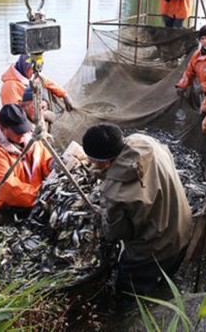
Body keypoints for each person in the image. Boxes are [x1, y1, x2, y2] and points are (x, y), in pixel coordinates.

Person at [82, 123, 192, 297]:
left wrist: (102, 217)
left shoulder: (114, 193)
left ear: (104, 162)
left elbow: (117, 232)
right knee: (167, 283)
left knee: (128, 294)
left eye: (92, 160)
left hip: (153, 252)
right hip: (183, 230)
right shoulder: (146, 142)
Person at [0, 104, 53, 212]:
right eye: (18, 131)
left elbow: (44, 161)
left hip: (32, 198)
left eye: (24, 129)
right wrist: (41, 194)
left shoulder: (31, 140)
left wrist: (52, 164)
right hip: (4, 208)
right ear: (3, 129)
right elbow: (9, 190)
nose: (23, 134)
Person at [0, 54, 74, 111]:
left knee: (44, 91)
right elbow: (13, 114)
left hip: (35, 113)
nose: (35, 72)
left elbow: (48, 83)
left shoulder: (33, 76)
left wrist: (64, 95)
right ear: (25, 67)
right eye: (32, 69)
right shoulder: (10, 86)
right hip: (21, 122)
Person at [175, 24, 206, 96]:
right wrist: (182, 85)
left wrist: (203, 87)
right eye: (202, 38)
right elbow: (189, 73)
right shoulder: (196, 55)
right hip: (204, 93)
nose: (204, 41)